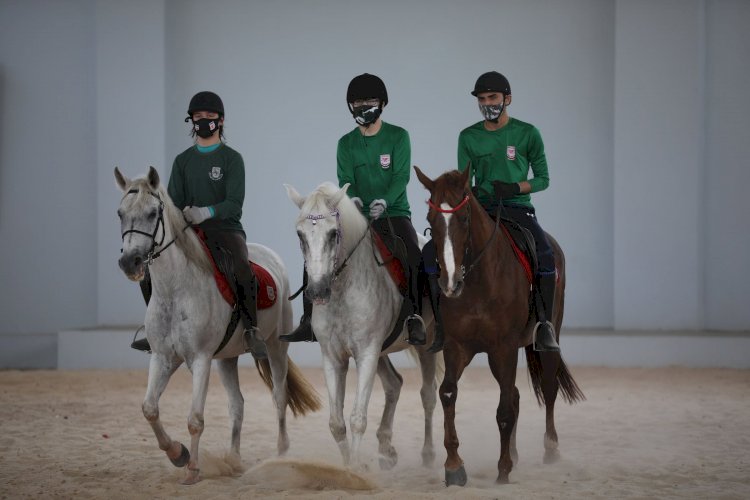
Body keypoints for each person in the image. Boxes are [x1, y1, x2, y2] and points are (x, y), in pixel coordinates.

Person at [281, 73, 434, 346]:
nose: (364, 107)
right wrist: (354, 202)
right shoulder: (345, 143)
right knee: (318, 249)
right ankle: (308, 321)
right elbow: (345, 180)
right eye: (358, 102)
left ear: (383, 103)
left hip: (394, 212)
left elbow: (401, 177)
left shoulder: (399, 137)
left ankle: (413, 317)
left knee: (412, 252)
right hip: (357, 216)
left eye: (370, 101)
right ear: (350, 106)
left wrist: (385, 200)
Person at [131, 91, 267, 359]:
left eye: (209, 117)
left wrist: (206, 212)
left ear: (221, 121)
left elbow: (234, 203)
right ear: (191, 121)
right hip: (188, 230)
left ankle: (251, 330)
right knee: (149, 269)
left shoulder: (232, 159)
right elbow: (172, 202)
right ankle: (155, 329)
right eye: (197, 117)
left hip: (226, 229)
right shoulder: (183, 161)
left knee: (242, 268)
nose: (203, 121)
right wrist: (182, 216)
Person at [457, 71, 560, 352]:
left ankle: (545, 325)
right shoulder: (468, 136)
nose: (487, 103)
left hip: (517, 208)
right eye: (482, 99)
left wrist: (515, 188)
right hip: (483, 210)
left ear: (507, 99)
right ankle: (445, 323)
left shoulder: (527, 133)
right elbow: (464, 180)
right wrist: (472, 192)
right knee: (445, 250)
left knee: (545, 254)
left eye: (492, 97)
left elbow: (543, 178)